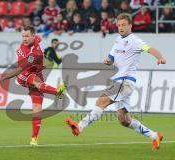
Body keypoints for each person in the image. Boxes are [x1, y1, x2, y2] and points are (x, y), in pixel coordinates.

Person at [65, 13, 166, 150]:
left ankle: (80, 127)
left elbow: (150, 49)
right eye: (119, 25)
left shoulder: (135, 40)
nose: (121, 28)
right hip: (120, 82)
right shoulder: (118, 40)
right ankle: (155, 136)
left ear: (130, 25)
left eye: (124, 25)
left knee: (101, 101)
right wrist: (108, 61)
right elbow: (111, 57)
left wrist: (160, 57)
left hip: (124, 82)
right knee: (124, 120)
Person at [0, 26, 66, 146]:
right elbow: (39, 38)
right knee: (36, 84)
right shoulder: (35, 39)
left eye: (27, 36)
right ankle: (57, 91)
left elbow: (18, 70)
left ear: (32, 36)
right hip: (31, 75)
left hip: (26, 74)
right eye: (23, 36)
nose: (24, 38)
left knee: (37, 110)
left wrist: (1, 78)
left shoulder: (35, 54)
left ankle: (34, 139)